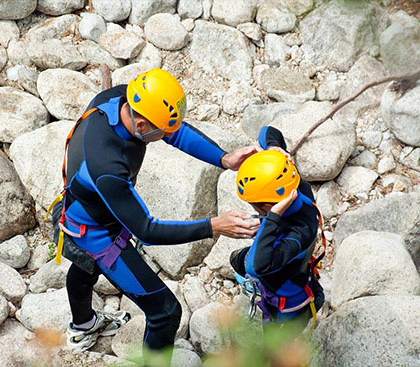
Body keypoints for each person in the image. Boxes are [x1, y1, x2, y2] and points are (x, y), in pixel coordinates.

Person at [53, 68, 261, 361]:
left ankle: (83, 325)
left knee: (87, 268)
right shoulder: (108, 166)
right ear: (140, 123)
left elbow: (173, 133)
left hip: (87, 205)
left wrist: (223, 158)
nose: (166, 136)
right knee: (165, 312)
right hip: (95, 232)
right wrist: (215, 225)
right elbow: (147, 231)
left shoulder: (120, 98)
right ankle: (86, 328)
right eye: (161, 131)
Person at [229, 126, 325, 333]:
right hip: (285, 269)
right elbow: (267, 131)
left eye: (253, 203)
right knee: (236, 259)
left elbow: (255, 266)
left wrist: (271, 220)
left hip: (288, 300)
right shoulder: (293, 185)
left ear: (268, 205)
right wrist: (274, 148)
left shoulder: (300, 231)